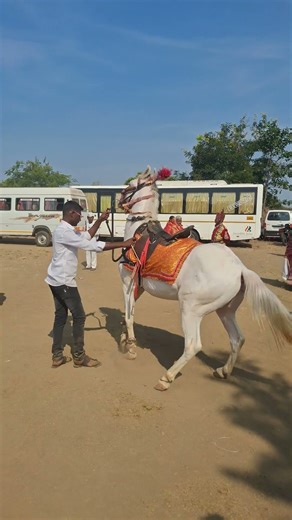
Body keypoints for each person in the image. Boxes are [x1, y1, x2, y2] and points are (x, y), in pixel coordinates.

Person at [45, 200, 135, 368]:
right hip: (64, 282)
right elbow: (91, 245)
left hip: (55, 279)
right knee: (78, 316)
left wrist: (100, 220)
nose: (80, 218)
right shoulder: (64, 232)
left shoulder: (66, 231)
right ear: (71, 213)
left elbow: (86, 236)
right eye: (79, 214)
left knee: (60, 317)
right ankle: (79, 356)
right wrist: (124, 244)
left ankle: (57, 356)